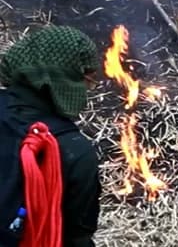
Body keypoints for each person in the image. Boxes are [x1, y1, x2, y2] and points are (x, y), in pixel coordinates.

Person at [1, 25, 102, 247]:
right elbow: (77, 238)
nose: (88, 90)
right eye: (89, 81)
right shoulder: (72, 149)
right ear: (68, 80)